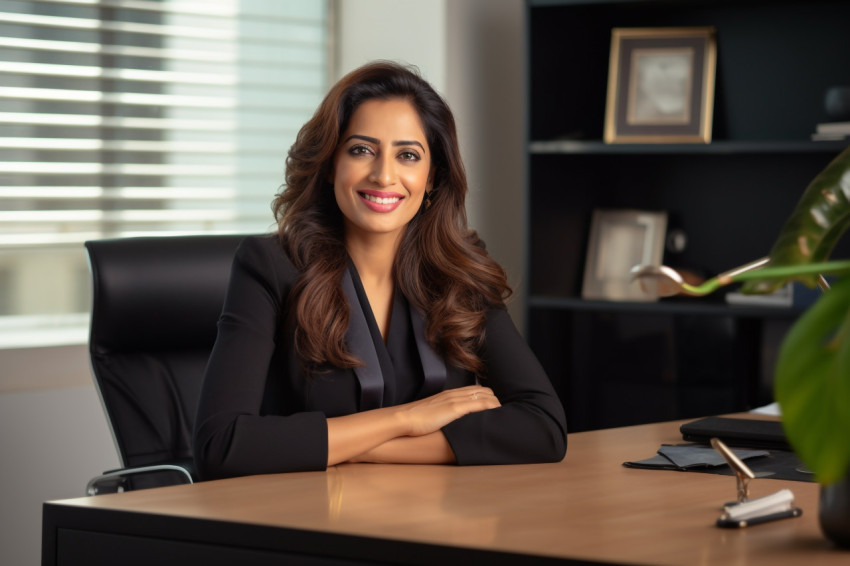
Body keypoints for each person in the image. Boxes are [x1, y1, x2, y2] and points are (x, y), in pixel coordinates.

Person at [193, 61, 567, 480]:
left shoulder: (460, 268)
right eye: (361, 150)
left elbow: (543, 428)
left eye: (407, 155)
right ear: (331, 163)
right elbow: (220, 444)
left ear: (431, 179)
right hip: (305, 522)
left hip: (434, 519)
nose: (384, 175)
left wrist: (357, 449)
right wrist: (406, 420)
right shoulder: (271, 267)